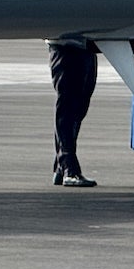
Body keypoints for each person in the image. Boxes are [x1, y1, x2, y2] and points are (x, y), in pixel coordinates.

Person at [48, 39, 98, 187]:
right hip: (67, 44)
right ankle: (69, 169)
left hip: (86, 45)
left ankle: (61, 166)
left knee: (78, 108)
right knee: (68, 107)